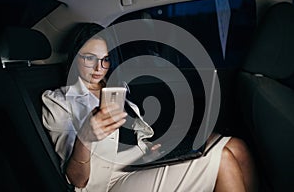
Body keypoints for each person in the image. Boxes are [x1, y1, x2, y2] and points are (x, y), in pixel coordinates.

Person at [42, 23, 258, 192]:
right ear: (75, 57)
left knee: (237, 147)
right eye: (90, 58)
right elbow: (77, 180)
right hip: (108, 182)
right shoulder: (59, 101)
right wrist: (85, 137)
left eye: (105, 59)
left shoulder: (115, 89)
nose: (100, 68)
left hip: (140, 162)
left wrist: (150, 149)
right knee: (224, 160)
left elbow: (129, 136)